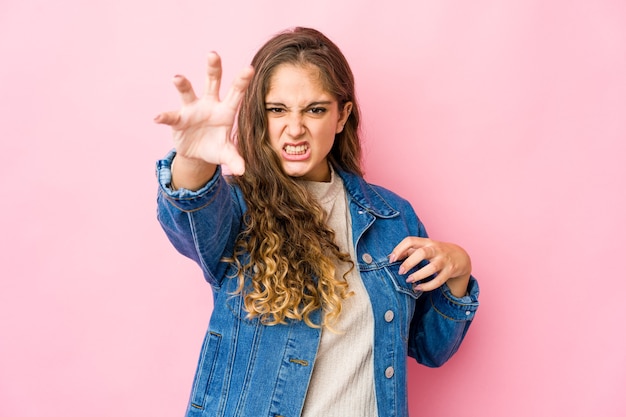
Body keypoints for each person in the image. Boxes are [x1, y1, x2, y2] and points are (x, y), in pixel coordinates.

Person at [154, 27, 479, 417]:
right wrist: (194, 159)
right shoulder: (238, 207)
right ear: (262, 116)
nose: (295, 128)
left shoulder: (392, 217)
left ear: (342, 116)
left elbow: (429, 348)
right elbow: (190, 217)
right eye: (278, 109)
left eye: (315, 109)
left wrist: (459, 270)